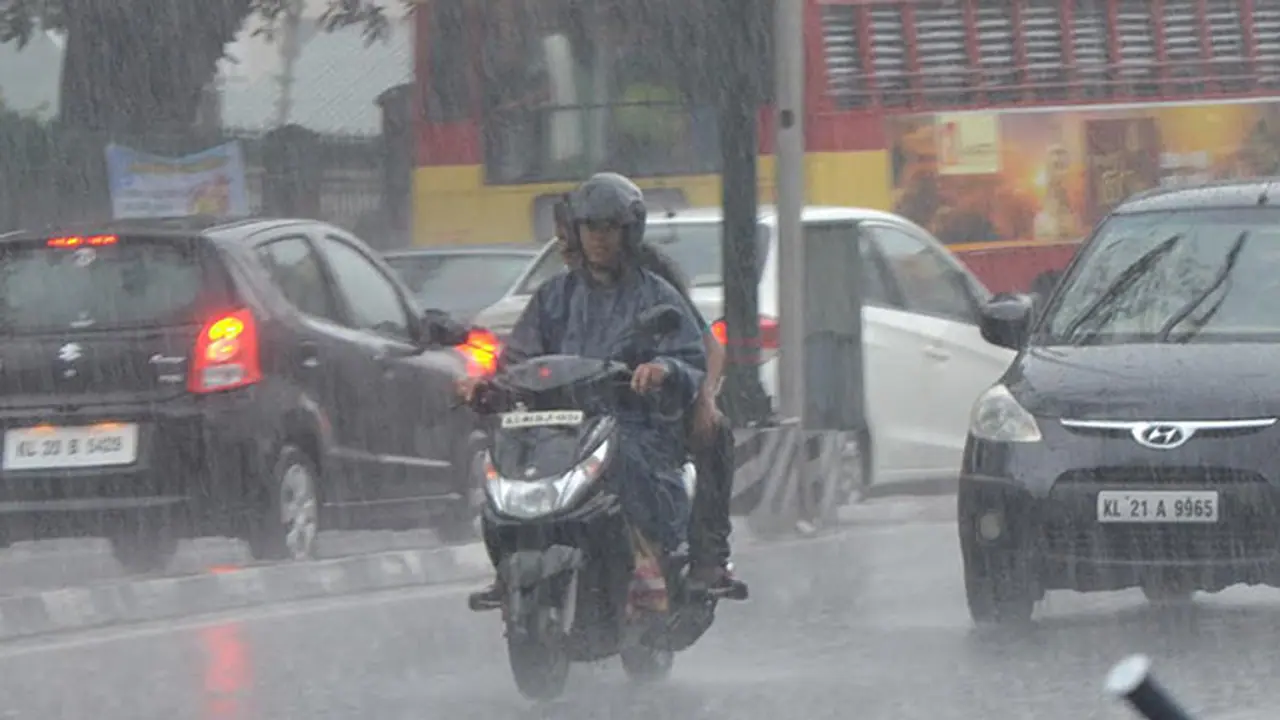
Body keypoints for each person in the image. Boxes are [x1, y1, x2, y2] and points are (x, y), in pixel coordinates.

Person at [463, 173, 708, 607]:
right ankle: (509, 565)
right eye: (590, 226)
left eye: (609, 227)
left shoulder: (655, 295)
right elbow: (518, 358)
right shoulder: (553, 296)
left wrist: (660, 369)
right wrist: (488, 387)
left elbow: (689, 356)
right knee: (504, 465)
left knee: (629, 463)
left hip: (630, 421)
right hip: (556, 425)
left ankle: (644, 560)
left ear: (629, 232)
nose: (598, 238)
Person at [549, 215, 739, 590]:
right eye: (565, 239)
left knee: (715, 434)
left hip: (647, 406)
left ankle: (707, 556)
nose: (566, 250)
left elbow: (706, 347)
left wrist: (703, 401)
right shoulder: (561, 294)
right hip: (580, 408)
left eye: (569, 238)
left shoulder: (652, 281)